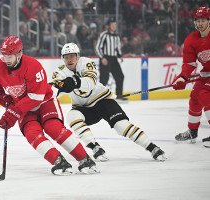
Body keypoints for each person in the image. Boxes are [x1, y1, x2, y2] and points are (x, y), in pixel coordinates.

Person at [0, 35, 99, 175]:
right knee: (32, 133)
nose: (6, 60)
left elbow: (35, 98)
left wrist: (14, 111)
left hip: (45, 101)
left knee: (53, 128)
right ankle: (59, 162)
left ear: (19, 53)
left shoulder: (33, 66)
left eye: (10, 57)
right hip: (23, 107)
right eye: (3, 56)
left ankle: (85, 159)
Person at [51, 43, 167, 161]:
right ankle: (95, 147)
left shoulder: (87, 63)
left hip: (103, 100)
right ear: (62, 59)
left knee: (121, 126)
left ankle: (152, 147)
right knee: (71, 116)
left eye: (72, 56)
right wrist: (58, 88)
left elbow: (90, 83)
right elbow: (53, 91)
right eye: (66, 57)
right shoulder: (59, 72)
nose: (69, 60)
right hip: (83, 107)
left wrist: (74, 82)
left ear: (78, 56)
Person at [172, 7, 210, 148]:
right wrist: (182, 77)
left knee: (204, 94)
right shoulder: (191, 40)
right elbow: (189, 63)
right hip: (207, 73)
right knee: (195, 96)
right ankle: (192, 133)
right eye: (198, 20)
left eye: (203, 20)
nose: (200, 23)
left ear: (209, 21)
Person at [95, 18, 127, 101]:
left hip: (113, 59)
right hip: (105, 58)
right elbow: (98, 48)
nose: (114, 26)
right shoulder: (104, 35)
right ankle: (99, 97)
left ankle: (119, 95)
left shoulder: (116, 36)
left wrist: (120, 56)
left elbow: (117, 48)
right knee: (104, 78)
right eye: (112, 24)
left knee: (120, 76)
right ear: (109, 26)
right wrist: (102, 57)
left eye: (115, 25)